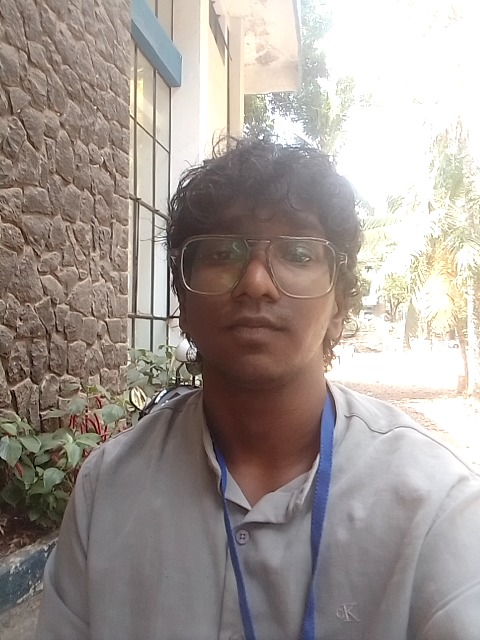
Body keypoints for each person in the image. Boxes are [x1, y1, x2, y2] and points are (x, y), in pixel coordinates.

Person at [36, 138, 480, 640]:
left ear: (338, 304)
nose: (256, 283)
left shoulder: (433, 505)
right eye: (223, 252)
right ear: (183, 299)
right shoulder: (109, 491)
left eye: (297, 253)